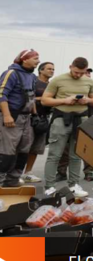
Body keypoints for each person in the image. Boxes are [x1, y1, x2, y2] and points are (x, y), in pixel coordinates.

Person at [41, 57, 93, 197]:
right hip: (61, 119)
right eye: (76, 72)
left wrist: (88, 100)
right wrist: (64, 101)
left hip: (81, 119)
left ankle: (74, 185)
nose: (78, 75)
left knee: (76, 155)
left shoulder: (89, 81)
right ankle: (49, 187)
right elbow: (44, 100)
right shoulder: (58, 80)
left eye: (81, 73)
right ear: (70, 67)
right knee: (54, 155)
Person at [0, 50, 39, 187]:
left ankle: (12, 180)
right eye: (35, 58)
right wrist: (6, 115)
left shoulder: (32, 76)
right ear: (24, 59)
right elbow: (1, 94)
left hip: (26, 118)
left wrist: (35, 115)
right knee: (7, 151)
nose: (38, 61)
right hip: (12, 117)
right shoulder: (11, 73)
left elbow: (31, 96)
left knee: (24, 150)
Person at [14, 61, 54, 184]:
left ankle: (28, 173)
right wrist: (42, 99)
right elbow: (26, 96)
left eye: (53, 69)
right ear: (41, 70)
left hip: (44, 118)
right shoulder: (33, 81)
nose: (52, 71)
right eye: (49, 69)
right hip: (30, 117)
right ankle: (15, 173)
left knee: (36, 147)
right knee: (22, 146)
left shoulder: (52, 85)